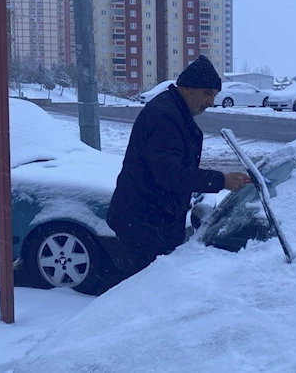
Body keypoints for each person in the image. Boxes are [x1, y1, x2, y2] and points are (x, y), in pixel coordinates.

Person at [106, 55, 250, 279]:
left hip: (147, 221)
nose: (211, 102)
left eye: (214, 95)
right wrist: (221, 181)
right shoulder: (165, 117)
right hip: (144, 226)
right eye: (207, 93)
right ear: (187, 89)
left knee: (146, 289)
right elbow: (169, 175)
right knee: (145, 292)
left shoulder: (173, 110)